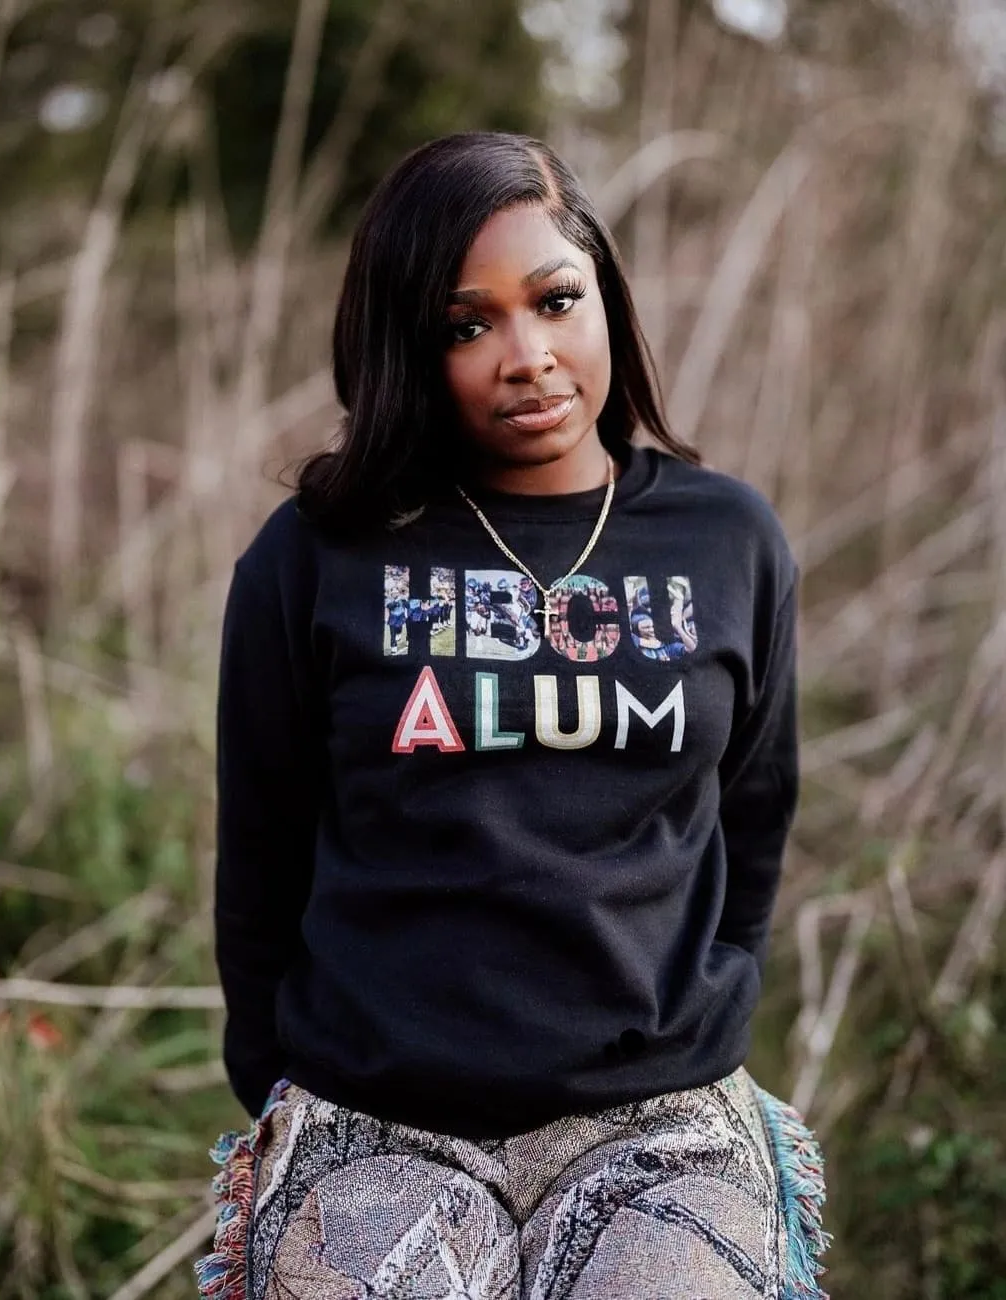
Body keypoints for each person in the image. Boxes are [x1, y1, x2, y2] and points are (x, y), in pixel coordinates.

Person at [195, 132, 827, 1300]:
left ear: (604, 295)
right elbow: (264, 848)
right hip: (377, 1113)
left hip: (660, 1112)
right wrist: (282, 1082)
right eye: (465, 324)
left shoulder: (727, 540)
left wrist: (705, 1003)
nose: (526, 356)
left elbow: (754, 815)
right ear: (406, 348)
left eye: (554, 300)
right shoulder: (317, 557)